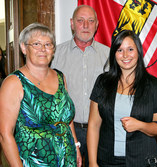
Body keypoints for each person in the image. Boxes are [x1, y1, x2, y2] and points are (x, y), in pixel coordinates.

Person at [0, 23, 82, 166]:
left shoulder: (60, 77)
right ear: (24, 48)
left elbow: (66, 120)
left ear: (53, 50)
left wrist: (76, 146)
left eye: (48, 44)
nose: (43, 49)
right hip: (33, 162)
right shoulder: (14, 82)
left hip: (67, 159)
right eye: (36, 44)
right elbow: (5, 135)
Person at [87, 30, 157, 166]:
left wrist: (140, 125)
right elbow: (94, 125)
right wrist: (92, 162)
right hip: (106, 160)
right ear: (114, 54)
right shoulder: (102, 82)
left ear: (138, 52)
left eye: (130, 49)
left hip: (142, 161)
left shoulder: (154, 85)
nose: (125, 55)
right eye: (119, 50)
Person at [50, 5, 109, 166]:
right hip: (66, 131)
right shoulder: (54, 56)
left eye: (90, 21)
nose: (85, 25)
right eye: (80, 20)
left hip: (101, 132)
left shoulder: (110, 56)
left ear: (97, 25)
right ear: (71, 23)